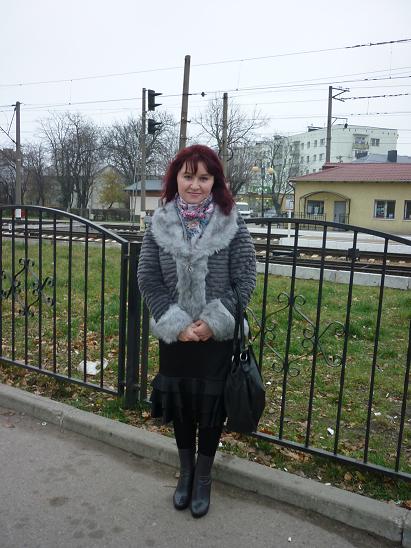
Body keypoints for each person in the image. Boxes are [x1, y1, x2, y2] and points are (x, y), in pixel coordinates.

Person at [137, 144, 256, 518]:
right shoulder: (160, 223)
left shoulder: (231, 222)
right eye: (188, 176)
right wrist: (176, 323)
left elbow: (245, 278)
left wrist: (215, 321)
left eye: (204, 178)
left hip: (215, 338)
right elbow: (148, 278)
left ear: (214, 181)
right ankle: (186, 472)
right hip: (176, 338)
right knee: (182, 405)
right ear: (175, 178)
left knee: (210, 409)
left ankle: (203, 476)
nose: (195, 185)